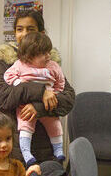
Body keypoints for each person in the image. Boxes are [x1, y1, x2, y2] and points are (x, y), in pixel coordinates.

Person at [0, 10, 75, 164]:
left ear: (41, 33)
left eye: (30, 29)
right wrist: (40, 91)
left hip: (45, 146)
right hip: (12, 144)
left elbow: (68, 98)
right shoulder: (4, 59)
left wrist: (39, 108)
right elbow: (1, 96)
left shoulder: (49, 61)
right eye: (19, 29)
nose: (24, 34)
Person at [4, 32, 66, 165]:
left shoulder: (53, 65)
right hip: (25, 105)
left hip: (48, 105)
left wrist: (55, 93)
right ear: (30, 56)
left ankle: (59, 150)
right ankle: (26, 153)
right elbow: (8, 76)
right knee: (25, 126)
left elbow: (61, 82)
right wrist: (20, 85)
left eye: (48, 52)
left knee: (54, 124)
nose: (48, 56)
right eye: (43, 54)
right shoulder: (20, 65)